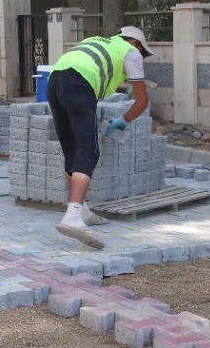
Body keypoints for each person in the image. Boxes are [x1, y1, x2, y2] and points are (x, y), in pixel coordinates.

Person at [45, 25, 154, 249]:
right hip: (79, 84)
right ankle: (73, 217)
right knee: (89, 152)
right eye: (143, 53)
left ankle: (82, 210)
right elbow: (142, 101)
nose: (141, 58)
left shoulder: (96, 39)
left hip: (55, 81)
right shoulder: (130, 51)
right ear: (135, 43)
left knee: (72, 150)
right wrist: (124, 120)